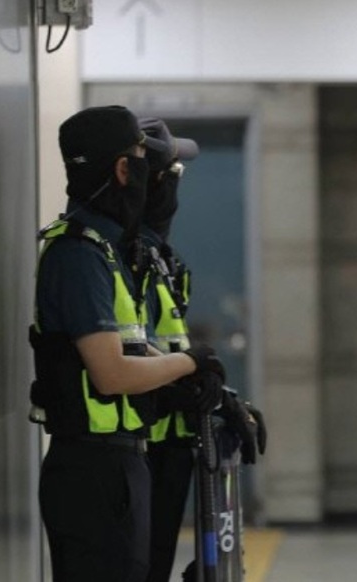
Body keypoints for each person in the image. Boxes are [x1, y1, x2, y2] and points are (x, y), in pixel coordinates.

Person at [30, 106, 225, 582]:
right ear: (123, 169)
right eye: (142, 159)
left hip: (118, 460)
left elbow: (134, 349)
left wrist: (192, 369)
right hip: (92, 468)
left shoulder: (104, 250)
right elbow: (112, 372)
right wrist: (188, 362)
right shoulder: (79, 254)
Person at [136, 118, 267, 582]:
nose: (176, 187)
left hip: (169, 445)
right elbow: (122, 353)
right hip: (134, 451)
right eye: (171, 174)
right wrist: (181, 381)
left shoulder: (159, 257)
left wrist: (218, 395)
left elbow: (165, 344)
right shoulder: (115, 256)